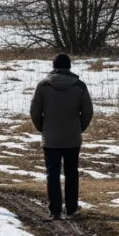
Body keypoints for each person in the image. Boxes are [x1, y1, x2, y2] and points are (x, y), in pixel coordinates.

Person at [30, 53, 94, 220]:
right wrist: (79, 128)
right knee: (72, 172)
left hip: (50, 137)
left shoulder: (43, 85)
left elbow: (35, 111)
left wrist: (43, 128)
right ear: (70, 67)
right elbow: (87, 111)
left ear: (53, 66)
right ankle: (72, 207)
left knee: (52, 173)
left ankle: (55, 209)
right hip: (72, 136)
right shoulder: (80, 86)